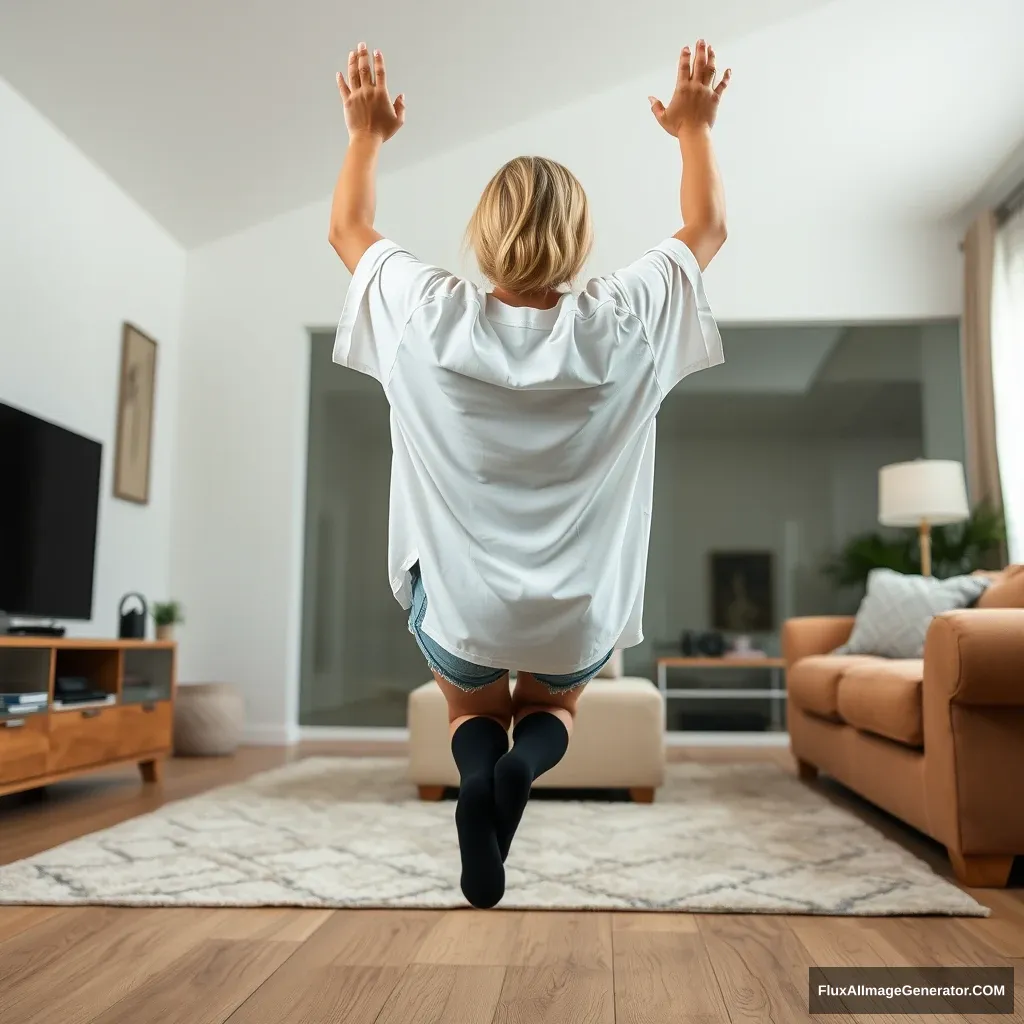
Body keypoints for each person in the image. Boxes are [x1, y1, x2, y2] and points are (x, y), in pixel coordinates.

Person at [329, 39, 730, 908]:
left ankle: (478, 777)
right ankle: (516, 776)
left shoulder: (426, 316)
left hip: (464, 611)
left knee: (472, 711)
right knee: (556, 710)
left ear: (483, 233)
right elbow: (705, 232)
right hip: (575, 614)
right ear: (580, 239)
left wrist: (367, 134)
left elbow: (348, 233)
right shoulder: (626, 320)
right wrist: (693, 129)